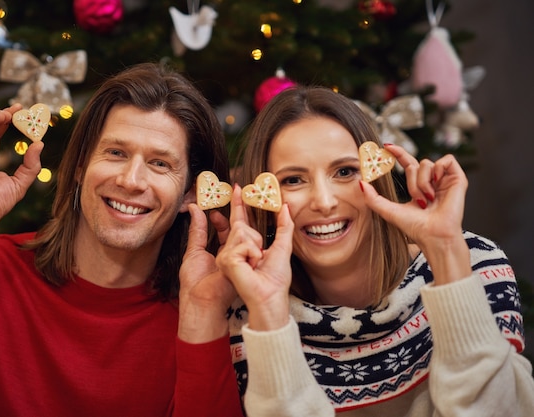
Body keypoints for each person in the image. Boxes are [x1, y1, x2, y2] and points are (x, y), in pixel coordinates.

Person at [0, 62, 244, 417]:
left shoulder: (204, 313)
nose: (131, 180)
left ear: (191, 194)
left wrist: (201, 319)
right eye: (116, 153)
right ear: (81, 165)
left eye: (160, 164)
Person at [216, 85, 534, 416]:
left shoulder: (472, 263)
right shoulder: (248, 317)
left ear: (376, 173)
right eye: (293, 180)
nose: (324, 202)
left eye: (344, 171)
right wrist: (269, 311)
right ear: (264, 197)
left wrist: (445, 255)